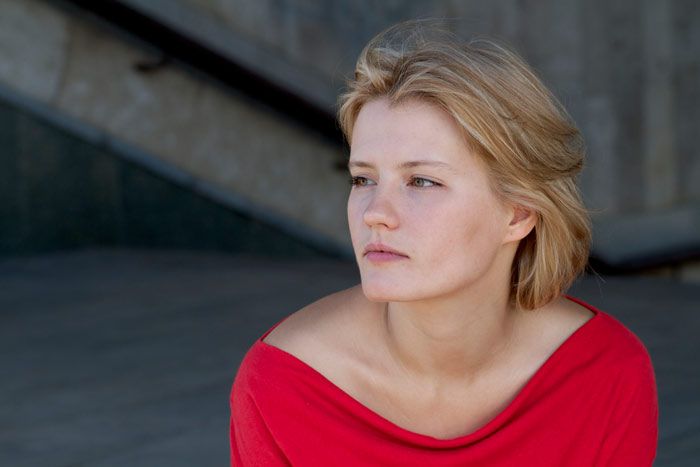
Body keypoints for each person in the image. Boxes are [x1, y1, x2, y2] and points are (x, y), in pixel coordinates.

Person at [229, 20, 658, 466]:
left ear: (518, 214)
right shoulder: (282, 385)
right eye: (363, 179)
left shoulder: (606, 374)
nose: (375, 212)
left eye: (421, 181)